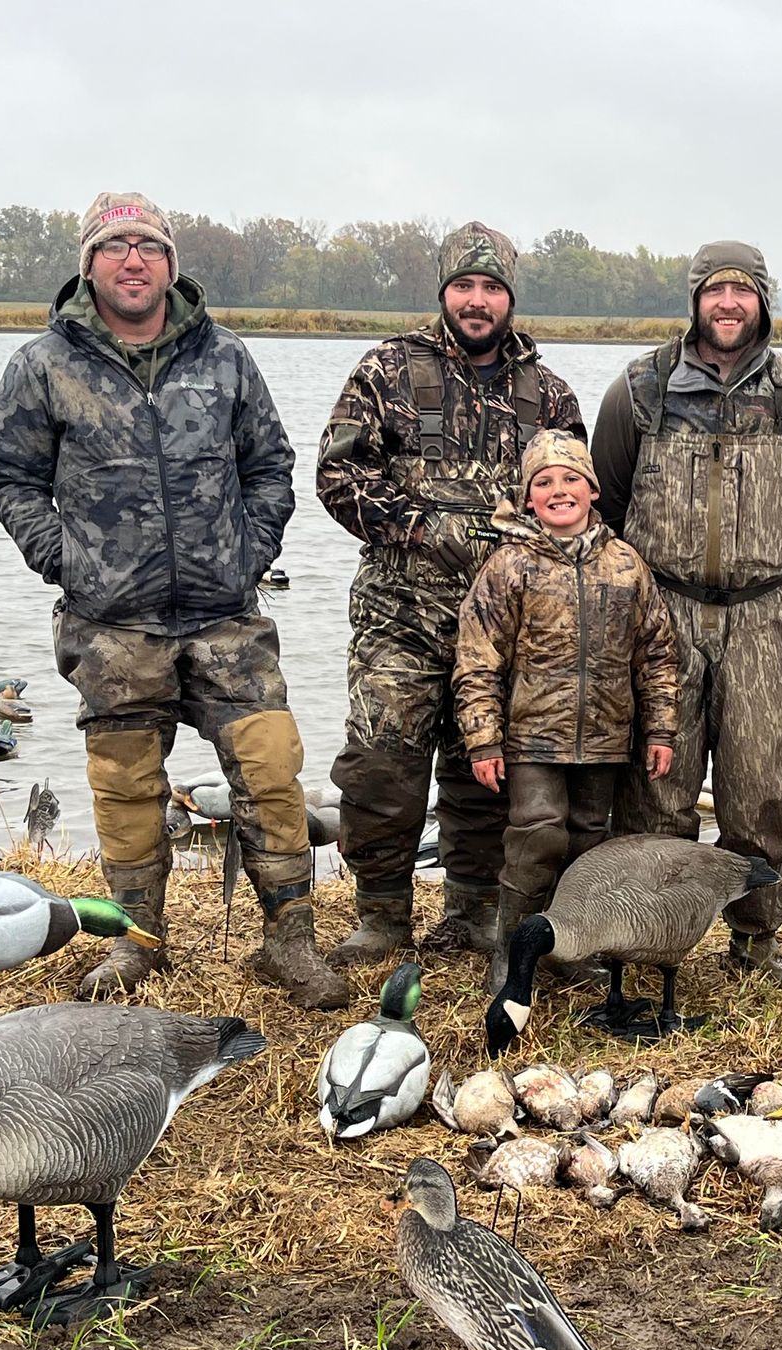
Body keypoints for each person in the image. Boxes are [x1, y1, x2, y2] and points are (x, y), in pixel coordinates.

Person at [0, 191, 347, 1009]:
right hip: (112, 624)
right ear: (91, 265)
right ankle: (135, 942)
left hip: (226, 617)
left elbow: (270, 466)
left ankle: (290, 939)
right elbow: (11, 479)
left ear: (171, 265)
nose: (134, 261)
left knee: (271, 770)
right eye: (115, 248)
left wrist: (248, 553)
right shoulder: (43, 366)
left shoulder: (225, 358)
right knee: (124, 786)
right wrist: (64, 560)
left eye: (149, 246)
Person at [317, 223, 585, 966]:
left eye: (492, 288)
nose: (477, 301)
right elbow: (336, 476)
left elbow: (575, 501)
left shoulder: (550, 395)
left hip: (507, 627)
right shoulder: (389, 370)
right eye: (464, 286)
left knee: (485, 771)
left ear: (510, 298)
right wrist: (426, 529)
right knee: (381, 765)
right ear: (444, 291)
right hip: (400, 616)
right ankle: (381, 915)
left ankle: (471, 911)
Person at [590, 241, 782, 980]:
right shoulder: (640, 388)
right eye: (714, 291)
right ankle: (644, 936)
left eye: (743, 291)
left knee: (759, 787)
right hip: (662, 611)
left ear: (763, 301)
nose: (727, 304)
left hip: (765, 615)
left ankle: (756, 938)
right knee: (656, 787)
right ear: (695, 299)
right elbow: (605, 499)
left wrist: (764, 563)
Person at [453, 431, 679, 990]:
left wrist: (661, 729)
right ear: (529, 498)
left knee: (587, 843)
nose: (559, 490)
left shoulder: (626, 564)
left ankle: (572, 948)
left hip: (606, 737)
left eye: (571, 478)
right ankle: (510, 956)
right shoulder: (508, 565)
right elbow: (476, 658)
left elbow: (657, 652)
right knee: (536, 834)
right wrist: (483, 739)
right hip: (532, 737)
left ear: (593, 489)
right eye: (544, 482)